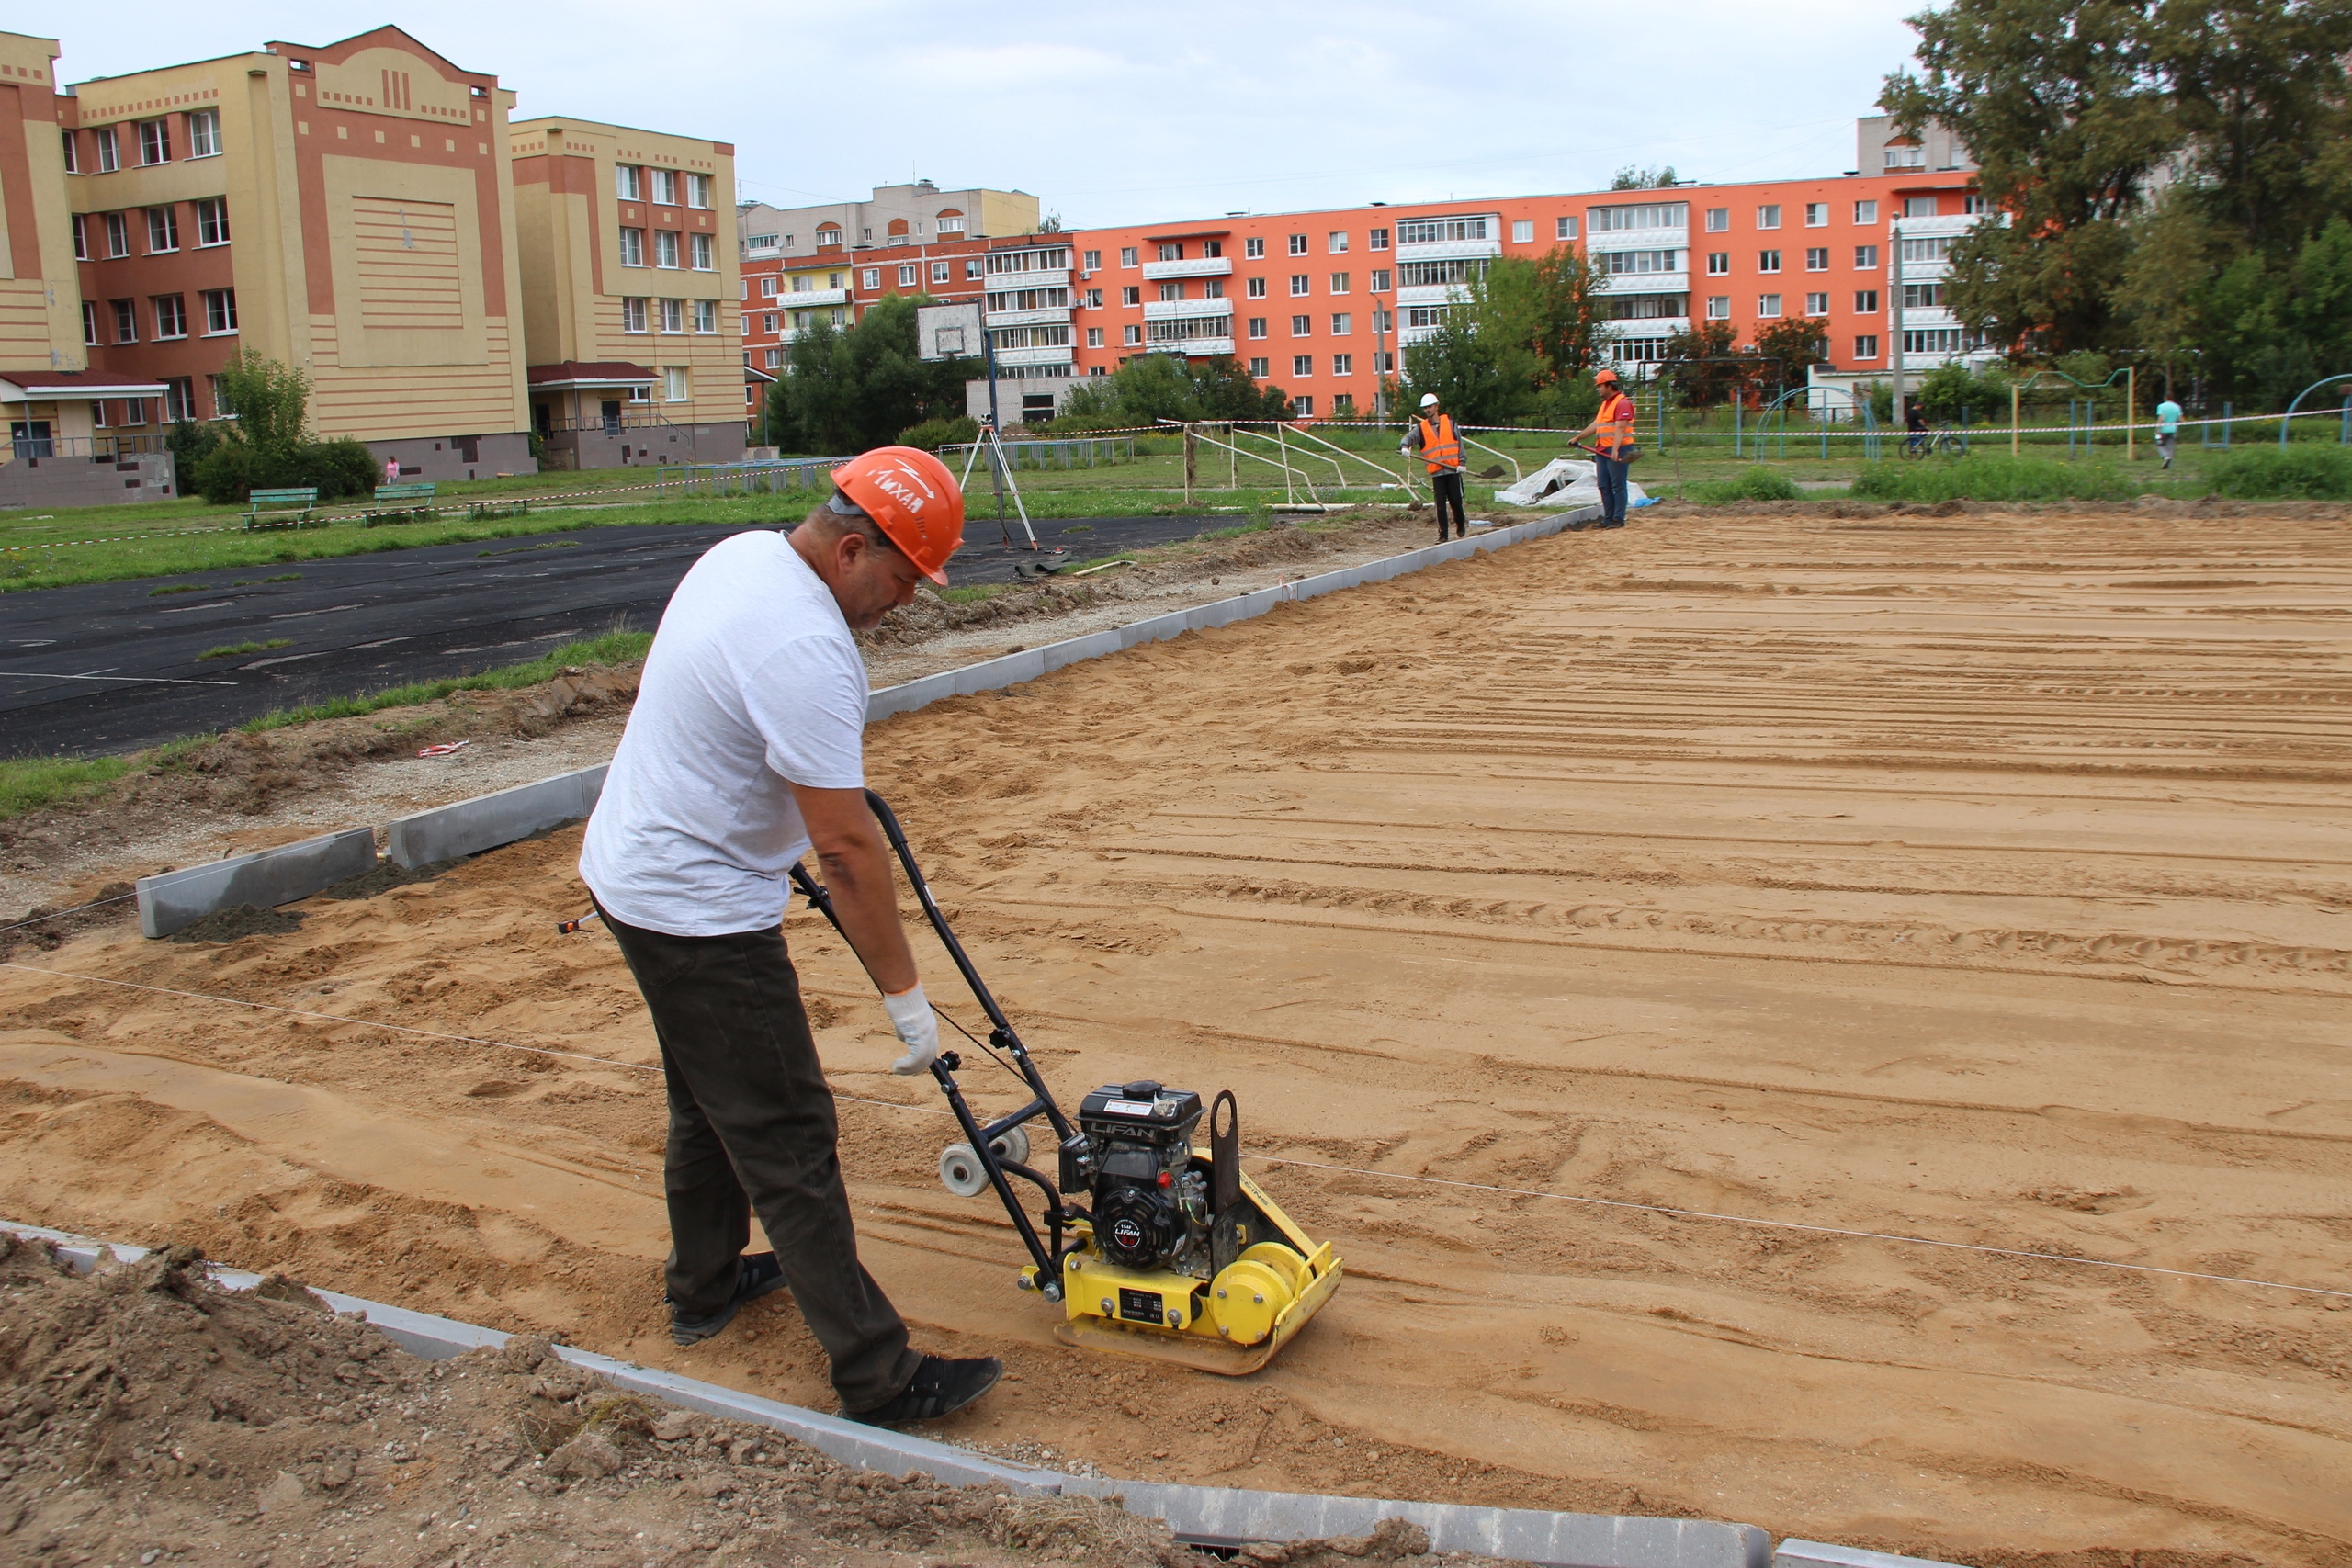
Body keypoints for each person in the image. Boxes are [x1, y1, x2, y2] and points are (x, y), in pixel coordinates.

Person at [579, 446, 1002, 1427]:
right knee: (788, 1134)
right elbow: (848, 850)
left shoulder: (743, 557)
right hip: (694, 910)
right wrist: (908, 1005)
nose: (904, 602)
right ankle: (879, 1377)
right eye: (902, 580)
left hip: (632, 872)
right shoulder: (807, 648)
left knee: (708, 1103)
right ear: (854, 548)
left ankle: (705, 1285)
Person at [1399, 392, 1468, 542]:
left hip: (1452, 469)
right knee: (1440, 505)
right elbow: (1408, 438)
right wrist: (1404, 446)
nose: (1428, 410)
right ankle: (1443, 535)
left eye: (1430, 407)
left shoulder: (1450, 423)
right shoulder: (1421, 428)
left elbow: (1459, 444)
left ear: (1437, 406)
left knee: (1456, 500)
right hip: (1437, 473)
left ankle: (1460, 523)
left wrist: (1462, 462)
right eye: (1425, 408)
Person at [1574, 368, 1636, 527]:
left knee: (1618, 485)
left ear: (1609, 386)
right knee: (1604, 485)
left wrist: (1615, 450)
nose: (1598, 389)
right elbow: (1596, 425)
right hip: (1602, 450)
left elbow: (1620, 429)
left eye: (1600, 386)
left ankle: (1618, 519)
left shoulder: (1622, 403)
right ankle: (1608, 518)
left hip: (1618, 449)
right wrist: (1578, 437)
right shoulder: (1605, 405)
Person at [2155, 394, 2183, 469]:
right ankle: (2169, 465)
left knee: (2160, 444)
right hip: (2173, 429)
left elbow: (2161, 418)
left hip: (2163, 430)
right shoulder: (2177, 407)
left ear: (2165, 398)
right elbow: (2180, 419)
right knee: (2170, 446)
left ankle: (2166, 456)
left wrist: (2158, 429)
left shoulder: (2161, 406)